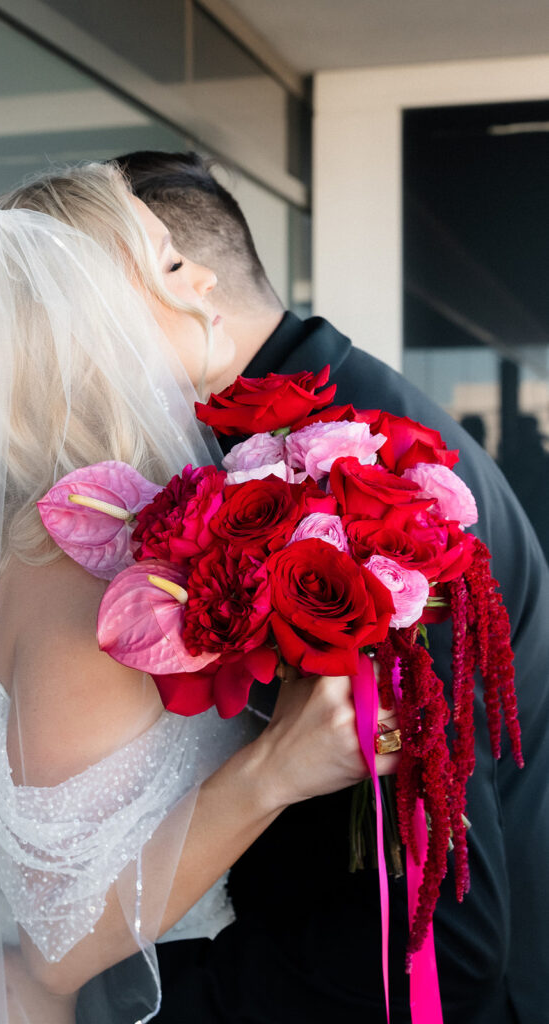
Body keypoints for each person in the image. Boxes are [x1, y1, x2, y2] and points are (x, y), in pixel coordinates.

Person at [0, 163, 402, 1024]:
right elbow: (56, 946)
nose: (199, 282)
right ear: (92, 322)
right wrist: (272, 771)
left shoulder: (77, 533)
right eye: (161, 263)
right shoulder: (80, 580)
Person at [113, 150, 549, 1024]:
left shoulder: (358, 486)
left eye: (80, 316)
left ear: (182, 279)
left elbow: (442, 949)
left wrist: (122, 1004)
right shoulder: (313, 420)